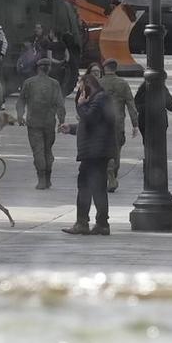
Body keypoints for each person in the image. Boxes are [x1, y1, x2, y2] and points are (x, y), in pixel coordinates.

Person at [65, 71, 114, 235]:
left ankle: (84, 223)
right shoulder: (98, 99)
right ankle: (100, 223)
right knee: (97, 188)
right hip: (96, 150)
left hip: (95, 152)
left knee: (86, 187)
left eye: (80, 86)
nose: (79, 90)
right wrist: (72, 129)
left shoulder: (99, 99)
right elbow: (91, 124)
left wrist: (81, 104)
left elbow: (90, 118)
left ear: (87, 85)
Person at [20, 57, 66, 189]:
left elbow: (21, 101)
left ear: (37, 68)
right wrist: (61, 121)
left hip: (33, 123)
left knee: (38, 151)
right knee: (47, 151)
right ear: (49, 68)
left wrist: (20, 116)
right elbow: (60, 105)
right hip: (49, 123)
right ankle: (48, 179)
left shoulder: (29, 83)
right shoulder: (54, 84)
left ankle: (41, 179)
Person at [97, 57, 135, 190]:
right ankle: (113, 173)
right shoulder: (123, 83)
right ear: (115, 68)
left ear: (105, 68)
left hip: (101, 122)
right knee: (116, 148)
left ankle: (108, 174)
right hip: (117, 122)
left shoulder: (98, 83)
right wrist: (135, 124)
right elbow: (130, 103)